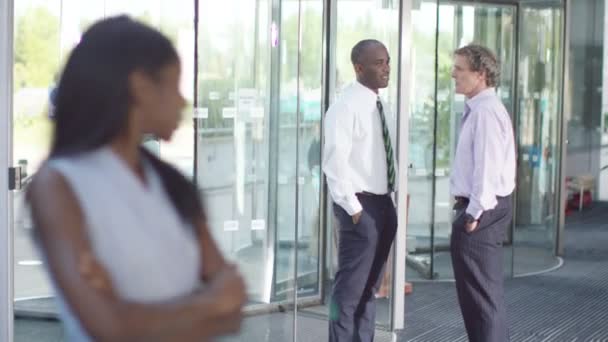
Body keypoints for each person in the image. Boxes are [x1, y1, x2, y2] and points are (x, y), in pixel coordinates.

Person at [27, 16, 247, 341]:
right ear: (140, 87)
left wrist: (133, 313)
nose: (183, 101)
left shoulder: (172, 183)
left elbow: (234, 312)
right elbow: (109, 328)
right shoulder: (58, 186)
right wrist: (210, 302)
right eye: (174, 85)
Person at [323, 39, 398, 342]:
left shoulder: (381, 105)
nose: (386, 68)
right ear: (358, 67)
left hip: (383, 204)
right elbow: (334, 163)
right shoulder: (344, 107)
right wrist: (354, 210)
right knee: (349, 291)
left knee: (369, 289)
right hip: (360, 207)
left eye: (388, 61)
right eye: (379, 62)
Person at [449, 44, 516, 342]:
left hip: (480, 213)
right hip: (484, 210)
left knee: (481, 300)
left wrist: (473, 214)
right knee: (482, 298)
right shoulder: (481, 108)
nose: (453, 74)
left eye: (459, 69)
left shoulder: (486, 113)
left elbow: (486, 171)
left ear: (481, 74)